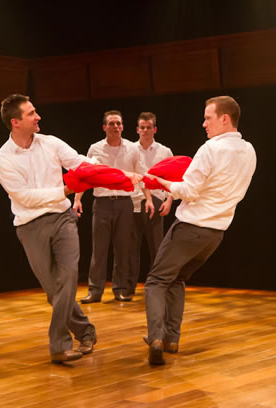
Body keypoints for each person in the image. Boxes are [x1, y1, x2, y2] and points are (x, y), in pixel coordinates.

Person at [143, 96, 256, 365]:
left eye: (208, 118)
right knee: (177, 279)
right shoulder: (249, 150)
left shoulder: (210, 149)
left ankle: (156, 339)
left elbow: (189, 191)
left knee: (156, 281)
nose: (203, 123)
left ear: (224, 119)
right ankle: (171, 338)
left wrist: (156, 181)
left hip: (192, 227)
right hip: (215, 234)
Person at [0, 94, 100, 364]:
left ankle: (59, 345)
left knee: (68, 276)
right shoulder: (2, 159)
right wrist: (64, 189)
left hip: (63, 218)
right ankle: (85, 330)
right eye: (31, 114)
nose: (38, 116)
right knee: (55, 291)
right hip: (30, 227)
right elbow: (24, 197)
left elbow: (79, 162)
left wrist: (114, 173)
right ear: (15, 122)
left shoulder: (50, 143)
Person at [74, 110, 146, 303]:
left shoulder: (132, 148)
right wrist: (77, 199)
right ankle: (95, 290)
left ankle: (121, 289)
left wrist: (147, 199)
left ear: (123, 126)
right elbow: (85, 175)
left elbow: (141, 175)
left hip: (124, 202)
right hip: (102, 203)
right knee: (99, 249)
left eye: (118, 123)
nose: (115, 127)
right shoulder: (95, 148)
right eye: (111, 124)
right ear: (104, 127)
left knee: (123, 248)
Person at [127, 112, 173, 296]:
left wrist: (169, 201)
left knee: (157, 245)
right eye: (142, 128)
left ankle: (158, 286)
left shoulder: (164, 151)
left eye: (149, 127)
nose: (145, 131)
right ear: (137, 129)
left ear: (155, 129)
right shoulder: (129, 149)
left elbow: (173, 178)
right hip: (132, 200)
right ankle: (128, 288)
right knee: (130, 246)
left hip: (155, 198)